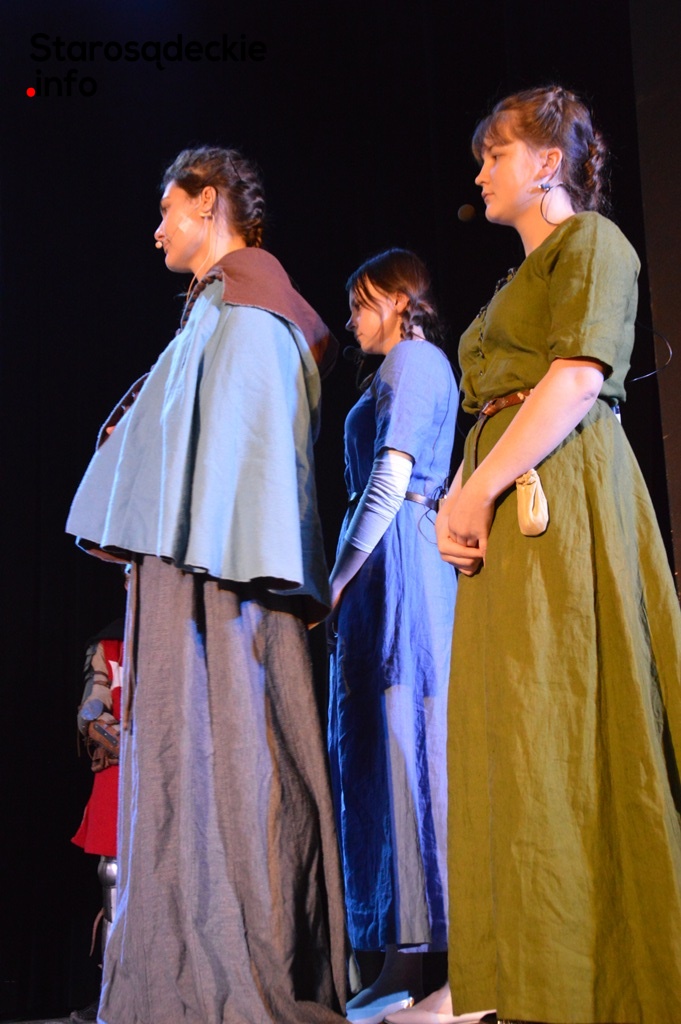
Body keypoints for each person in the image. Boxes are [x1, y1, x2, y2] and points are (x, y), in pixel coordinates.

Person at [66, 146, 347, 1024]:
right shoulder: (213, 312)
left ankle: (230, 961)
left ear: (207, 201)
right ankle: (174, 968)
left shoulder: (252, 304)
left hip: (221, 584)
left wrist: (193, 538)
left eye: (167, 211)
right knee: (180, 763)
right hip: (185, 574)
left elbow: (241, 459)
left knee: (233, 754)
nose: (156, 232)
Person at [436, 85, 681, 1024]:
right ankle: (529, 975)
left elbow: (576, 379)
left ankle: (603, 976)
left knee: (565, 718)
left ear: (547, 162)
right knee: (515, 734)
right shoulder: (516, 281)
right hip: (508, 500)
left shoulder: (592, 244)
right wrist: (462, 496)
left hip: (560, 497)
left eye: (493, 154)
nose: (479, 173)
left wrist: (476, 490)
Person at [327, 249, 457, 1024]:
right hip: (382, 567)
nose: (351, 320)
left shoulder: (412, 361)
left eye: (361, 303)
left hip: (399, 560)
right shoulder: (397, 368)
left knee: (413, 747)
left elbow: (391, 477)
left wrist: (337, 578)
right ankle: (401, 959)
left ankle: (450, 962)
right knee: (384, 755)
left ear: (398, 301)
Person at [70, 617, 125, 1024]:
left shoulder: (187, 633)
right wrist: (112, 734)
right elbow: (92, 708)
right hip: (120, 771)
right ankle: (112, 993)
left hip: (176, 774)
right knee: (114, 875)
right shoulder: (109, 645)